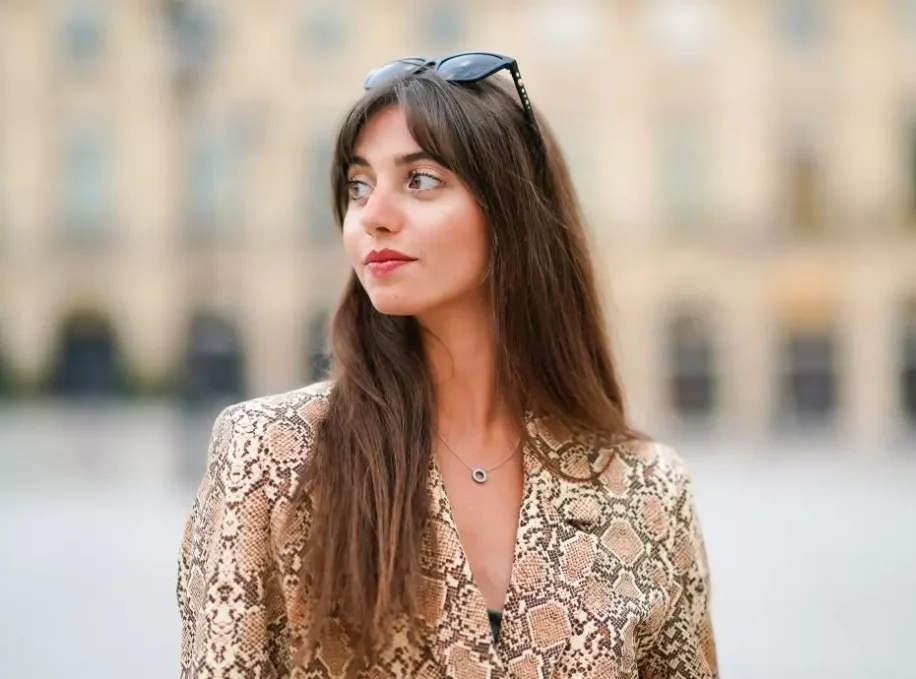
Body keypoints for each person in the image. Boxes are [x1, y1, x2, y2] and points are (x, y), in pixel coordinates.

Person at [176, 51, 718, 679]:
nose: (372, 215)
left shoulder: (648, 491)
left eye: (421, 180)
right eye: (358, 185)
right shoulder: (269, 456)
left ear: (512, 212)